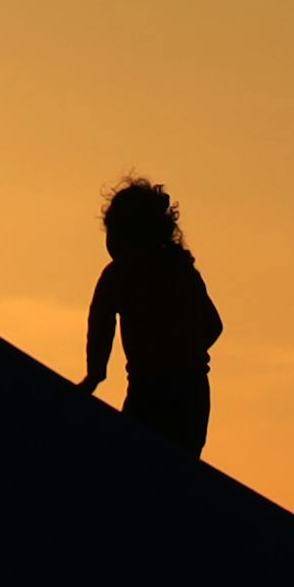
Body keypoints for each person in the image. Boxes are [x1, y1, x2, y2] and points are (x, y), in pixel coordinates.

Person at [75, 177, 224, 455]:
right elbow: (214, 326)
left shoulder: (119, 274)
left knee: (134, 461)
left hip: (149, 390)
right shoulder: (182, 270)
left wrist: (94, 376)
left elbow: (101, 325)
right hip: (193, 393)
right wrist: (185, 355)